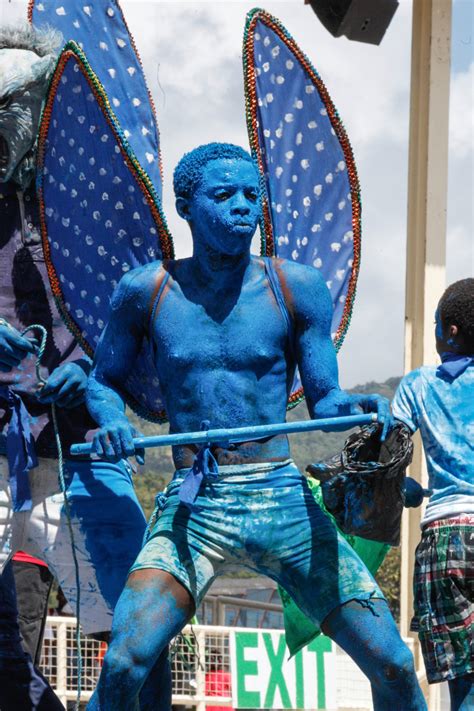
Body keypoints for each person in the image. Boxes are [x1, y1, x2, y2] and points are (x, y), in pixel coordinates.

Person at [85, 142, 426, 711]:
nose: (243, 207)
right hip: (196, 504)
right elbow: (103, 381)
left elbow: (326, 400)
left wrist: (358, 408)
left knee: (393, 663)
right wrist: (110, 421)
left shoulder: (295, 286)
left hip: (281, 498)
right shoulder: (146, 290)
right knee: (124, 661)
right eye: (224, 195)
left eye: (252, 195)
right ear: (186, 206)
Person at [0, 23, 170, 708]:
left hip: (82, 447)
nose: (10, 120)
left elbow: (140, 330)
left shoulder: (96, 205)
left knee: (136, 624)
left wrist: (98, 376)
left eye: (20, 103)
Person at [392, 278, 474, 711]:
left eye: (439, 325)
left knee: (462, 687)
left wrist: (404, 488)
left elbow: (389, 462)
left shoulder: (417, 385)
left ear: (452, 332)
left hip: (446, 537)